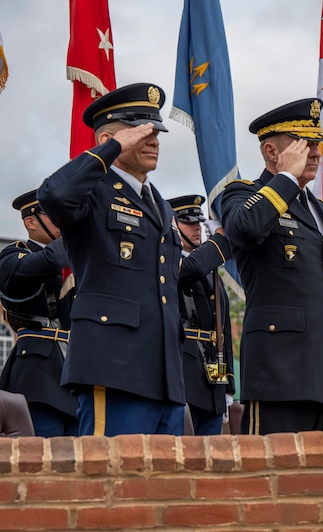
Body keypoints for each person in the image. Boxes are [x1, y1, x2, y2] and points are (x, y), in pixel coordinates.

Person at [38, 82, 186, 436]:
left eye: (157, 132)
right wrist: (115, 148)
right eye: (142, 132)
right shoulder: (93, 191)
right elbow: (54, 196)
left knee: (168, 489)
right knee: (112, 482)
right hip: (114, 366)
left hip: (164, 373)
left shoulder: (160, 204)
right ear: (107, 138)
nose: (154, 140)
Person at [222, 97, 323, 434]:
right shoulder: (244, 193)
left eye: (317, 144)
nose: (316, 153)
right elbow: (244, 229)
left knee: (321, 480)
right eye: (305, 144)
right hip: (279, 371)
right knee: (271, 475)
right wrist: (286, 179)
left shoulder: (318, 209)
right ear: (273, 152)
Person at [0, 190, 78, 436]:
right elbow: (42, 264)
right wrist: (76, 235)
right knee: (45, 452)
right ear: (30, 222)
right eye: (55, 215)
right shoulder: (13, 254)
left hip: (77, 370)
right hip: (40, 373)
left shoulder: (74, 261)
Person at [169, 194, 236, 435]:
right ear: (173, 225)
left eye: (199, 222)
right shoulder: (168, 260)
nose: (197, 228)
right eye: (189, 222)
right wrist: (219, 239)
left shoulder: (210, 271)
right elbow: (192, 268)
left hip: (212, 379)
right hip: (184, 373)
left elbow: (223, 329)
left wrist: (228, 385)